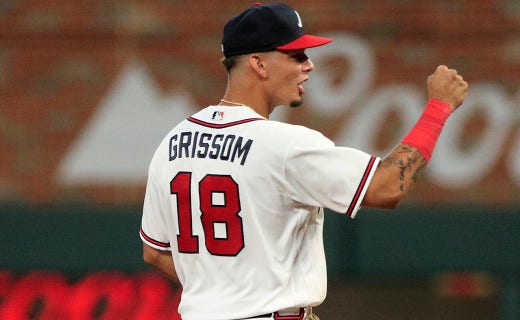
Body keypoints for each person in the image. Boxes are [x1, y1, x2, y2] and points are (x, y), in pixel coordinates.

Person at [139, 2, 468, 320]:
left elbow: (155, 252)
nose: (309, 65)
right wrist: (438, 108)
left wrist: (223, 295)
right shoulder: (283, 145)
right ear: (259, 64)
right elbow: (386, 187)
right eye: (296, 56)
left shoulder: (173, 143)